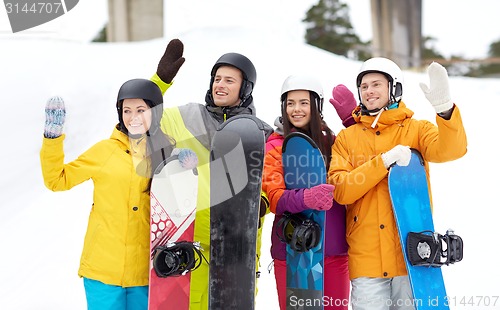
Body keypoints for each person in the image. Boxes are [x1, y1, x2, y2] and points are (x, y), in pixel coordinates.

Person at [40, 78, 196, 310]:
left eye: (141, 110)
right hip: (103, 271)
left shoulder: (166, 155)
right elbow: (57, 180)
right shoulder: (105, 151)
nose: (133, 117)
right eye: (127, 110)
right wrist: (52, 140)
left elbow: (182, 207)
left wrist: (185, 166)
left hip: (147, 272)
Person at [327, 58, 468, 310]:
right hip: (367, 259)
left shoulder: (416, 130)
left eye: (376, 84)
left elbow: (451, 150)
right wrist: (381, 163)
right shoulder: (347, 139)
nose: (369, 91)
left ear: (395, 89)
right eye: (364, 86)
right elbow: (341, 190)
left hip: (411, 256)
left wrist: (445, 111)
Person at [150, 40, 273, 309]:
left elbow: (274, 184)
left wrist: (260, 200)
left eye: (229, 80)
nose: (220, 85)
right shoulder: (186, 117)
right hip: (189, 249)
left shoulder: (261, 134)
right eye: (217, 78)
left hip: (236, 254)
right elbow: (141, 120)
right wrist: (159, 82)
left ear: (246, 88)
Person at [262, 75, 356, 309]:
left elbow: (361, 157)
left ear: (317, 105)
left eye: (304, 102)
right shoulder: (274, 146)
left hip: (334, 250)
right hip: (294, 251)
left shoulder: (334, 142)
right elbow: (275, 197)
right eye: (290, 103)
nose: (296, 109)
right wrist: (306, 198)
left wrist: (353, 124)